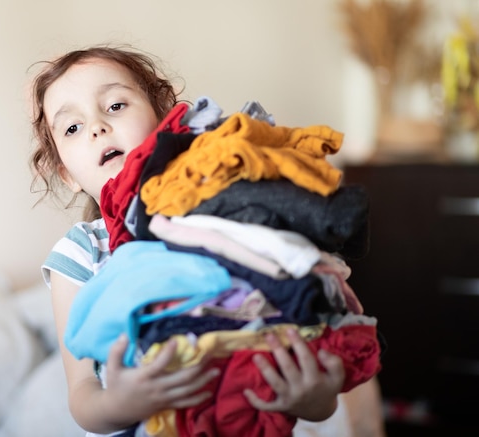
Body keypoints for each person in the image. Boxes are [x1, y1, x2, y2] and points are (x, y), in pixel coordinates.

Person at [30, 45, 347, 436]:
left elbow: (310, 373)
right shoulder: (81, 252)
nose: (96, 127)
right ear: (67, 175)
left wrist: (313, 397)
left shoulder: (223, 217)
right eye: (73, 128)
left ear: (163, 120)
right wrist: (120, 403)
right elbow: (82, 395)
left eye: (114, 106)